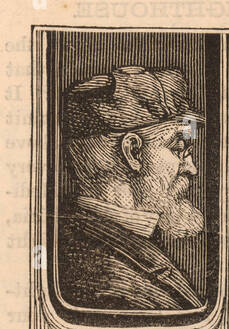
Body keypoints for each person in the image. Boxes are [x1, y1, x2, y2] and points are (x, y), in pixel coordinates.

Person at [58, 66, 205, 312]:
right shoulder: (106, 277)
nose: (191, 168)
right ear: (133, 152)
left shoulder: (94, 239)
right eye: (179, 150)